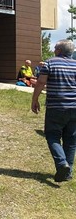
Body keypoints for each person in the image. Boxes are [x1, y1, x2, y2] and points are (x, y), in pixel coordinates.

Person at [31, 40, 76, 182]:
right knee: (71, 140)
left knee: (52, 135)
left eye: (55, 47)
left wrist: (35, 100)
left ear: (59, 50)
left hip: (56, 107)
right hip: (74, 107)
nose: (53, 49)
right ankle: (67, 174)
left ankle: (62, 163)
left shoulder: (50, 63)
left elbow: (41, 82)